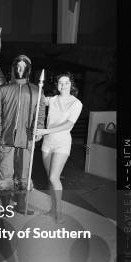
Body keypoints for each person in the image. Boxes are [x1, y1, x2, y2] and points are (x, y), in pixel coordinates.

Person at [0, 55, 45, 214]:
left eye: (23, 67)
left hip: (26, 139)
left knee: (23, 175)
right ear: (13, 68)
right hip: (6, 139)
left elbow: (39, 113)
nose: (20, 69)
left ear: (28, 70)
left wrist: (39, 129)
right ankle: (4, 206)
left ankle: (21, 204)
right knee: (6, 175)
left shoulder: (36, 91)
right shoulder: (3, 90)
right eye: (18, 66)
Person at [36, 73, 83, 222]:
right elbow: (38, 100)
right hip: (47, 143)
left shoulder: (76, 103)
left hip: (62, 143)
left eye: (66, 83)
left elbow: (68, 125)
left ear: (71, 85)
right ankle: (51, 210)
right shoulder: (53, 100)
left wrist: (44, 131)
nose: (63, 85)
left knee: (53, 177)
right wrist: (38, 89)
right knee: (51, 179)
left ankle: (59, 212)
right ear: (57, 85)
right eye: (60, 83)